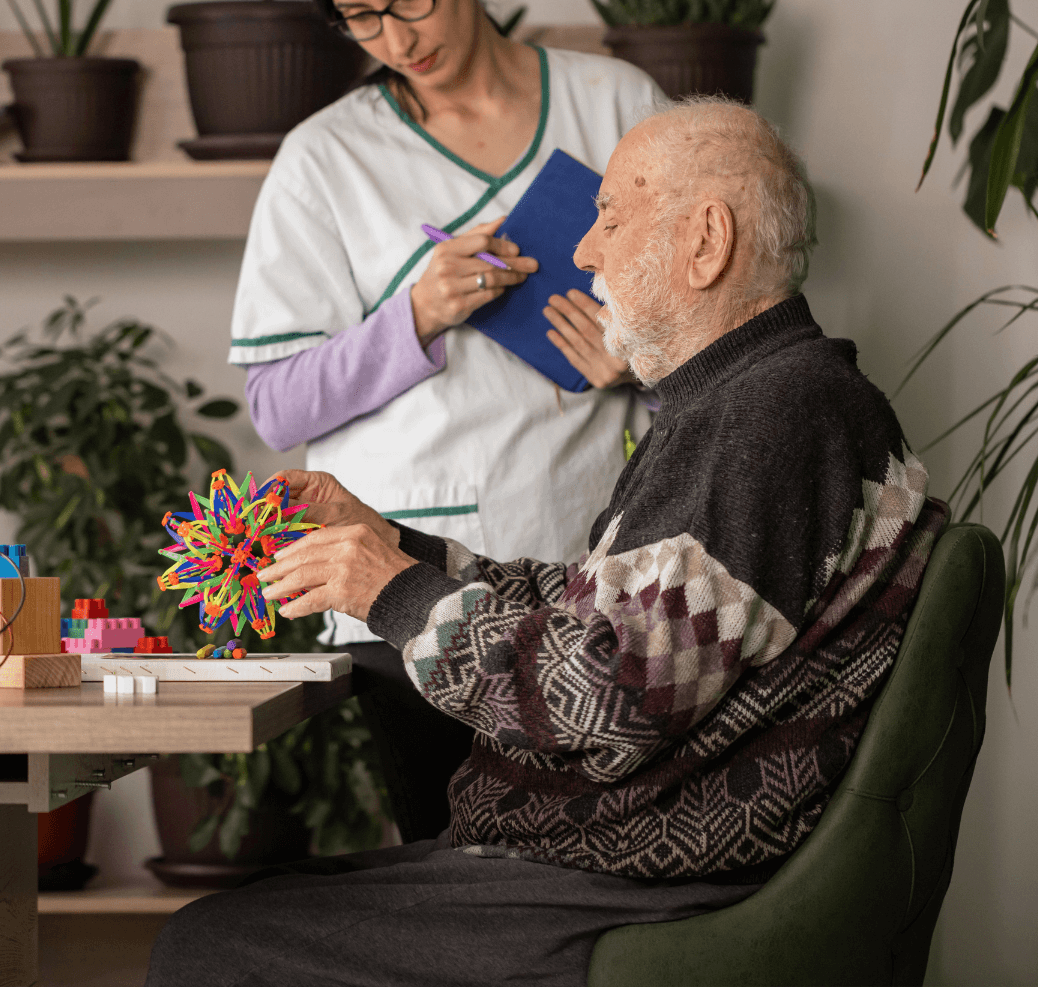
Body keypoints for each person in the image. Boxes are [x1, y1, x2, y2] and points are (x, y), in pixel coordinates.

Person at [148, 100, 948, 987]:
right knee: (253, 913)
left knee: (208, 945)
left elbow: (606, 699)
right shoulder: (759, 399)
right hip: (624, 856)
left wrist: (389, 593)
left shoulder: (769, 417)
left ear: (706, 241)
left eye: (611, 217)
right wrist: (391, 546)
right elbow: (602, 617)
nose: (584, 251)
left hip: (651, 879)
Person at [229, 0, 664, 840]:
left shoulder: (619, 107)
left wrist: (634, 359)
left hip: (585, 582)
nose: (396, 36)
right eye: (362, 18)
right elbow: (277, 404)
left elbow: (726, 336)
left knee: (584, 869)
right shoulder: (324, 159)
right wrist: (413, 316)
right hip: (399, 594)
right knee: (451, 868)